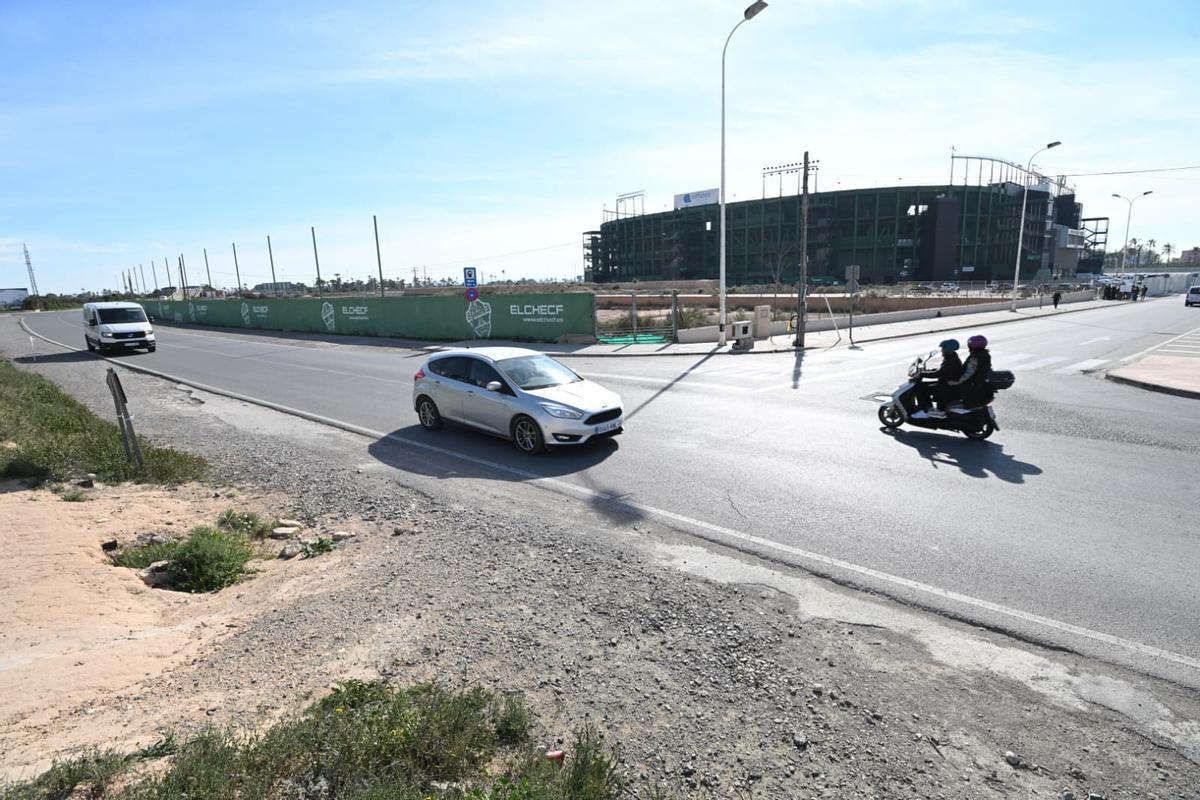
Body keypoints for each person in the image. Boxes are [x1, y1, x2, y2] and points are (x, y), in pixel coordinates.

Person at [914, 339, 963, 418]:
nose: (941, 350)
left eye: (943, 348)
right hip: (947, 383)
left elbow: (938, 374)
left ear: (948, 349)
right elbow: (942, 371)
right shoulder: (952, 357)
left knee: (920, 388)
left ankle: (928, 410)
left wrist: (921, 374)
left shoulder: (951, 360)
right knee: (923, 386)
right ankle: (929, 408)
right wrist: (929, 371)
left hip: (947, 386)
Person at [948, 334, 993, 409]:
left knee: (946, 385)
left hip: (971, 384)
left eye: (969, 344)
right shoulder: (985, 354)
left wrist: (957, 382)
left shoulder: (975, 357)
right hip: (978, 382)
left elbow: (969, 373)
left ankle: (941, 410)